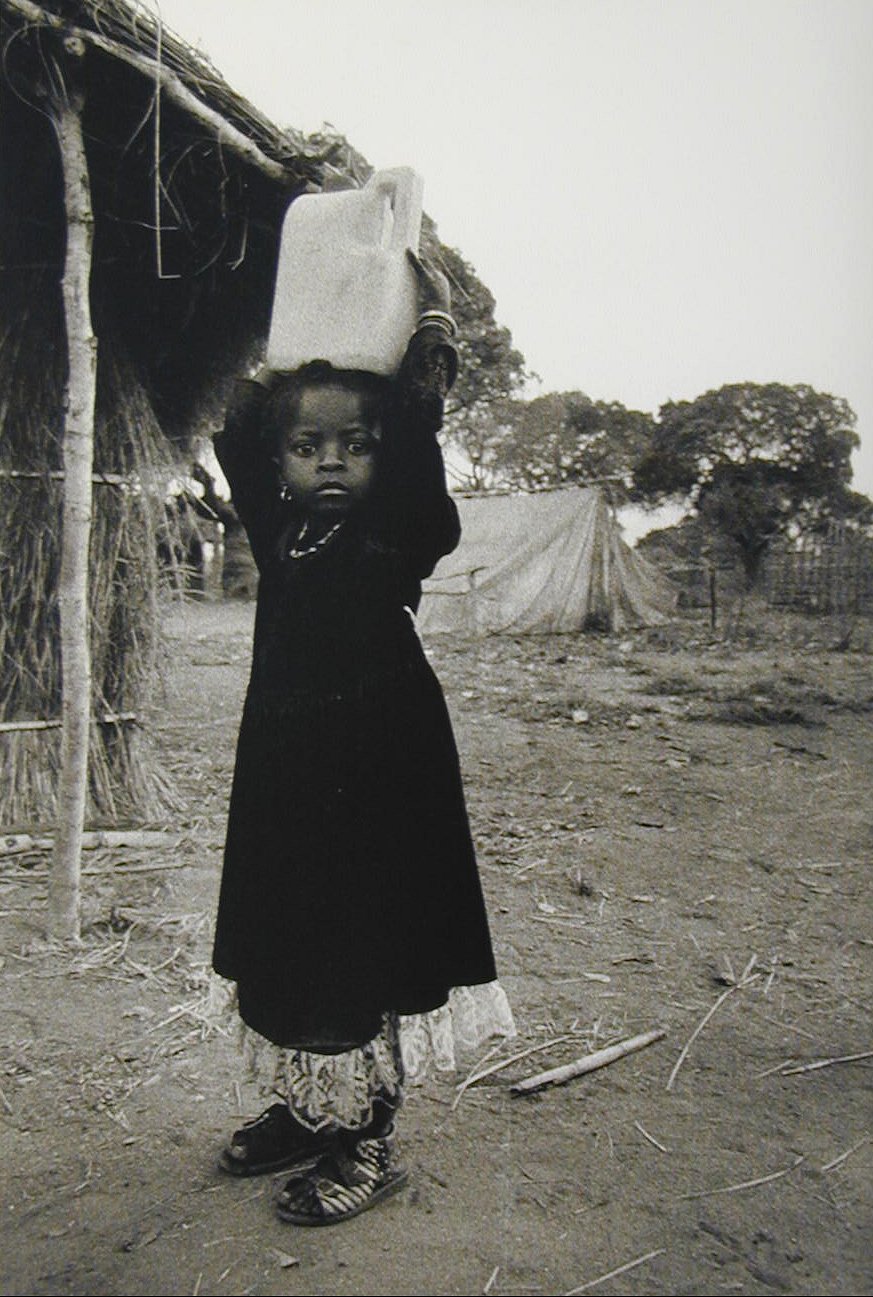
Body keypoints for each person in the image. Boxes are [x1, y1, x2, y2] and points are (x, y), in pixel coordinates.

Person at [210, 252, 514, 1226]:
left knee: (362, 945)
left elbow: (428, 503)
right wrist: (285, 361)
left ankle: (369, 1138)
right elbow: (237, 438)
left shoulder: (394, 531)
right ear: (283, 460)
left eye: (354, 443)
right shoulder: (275, 526)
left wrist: (414, 391)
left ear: (383, 455)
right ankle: (309, 1110)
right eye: (308, 445)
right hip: (288, 776)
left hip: (380, 777)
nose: (329, 458)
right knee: (291, 938)